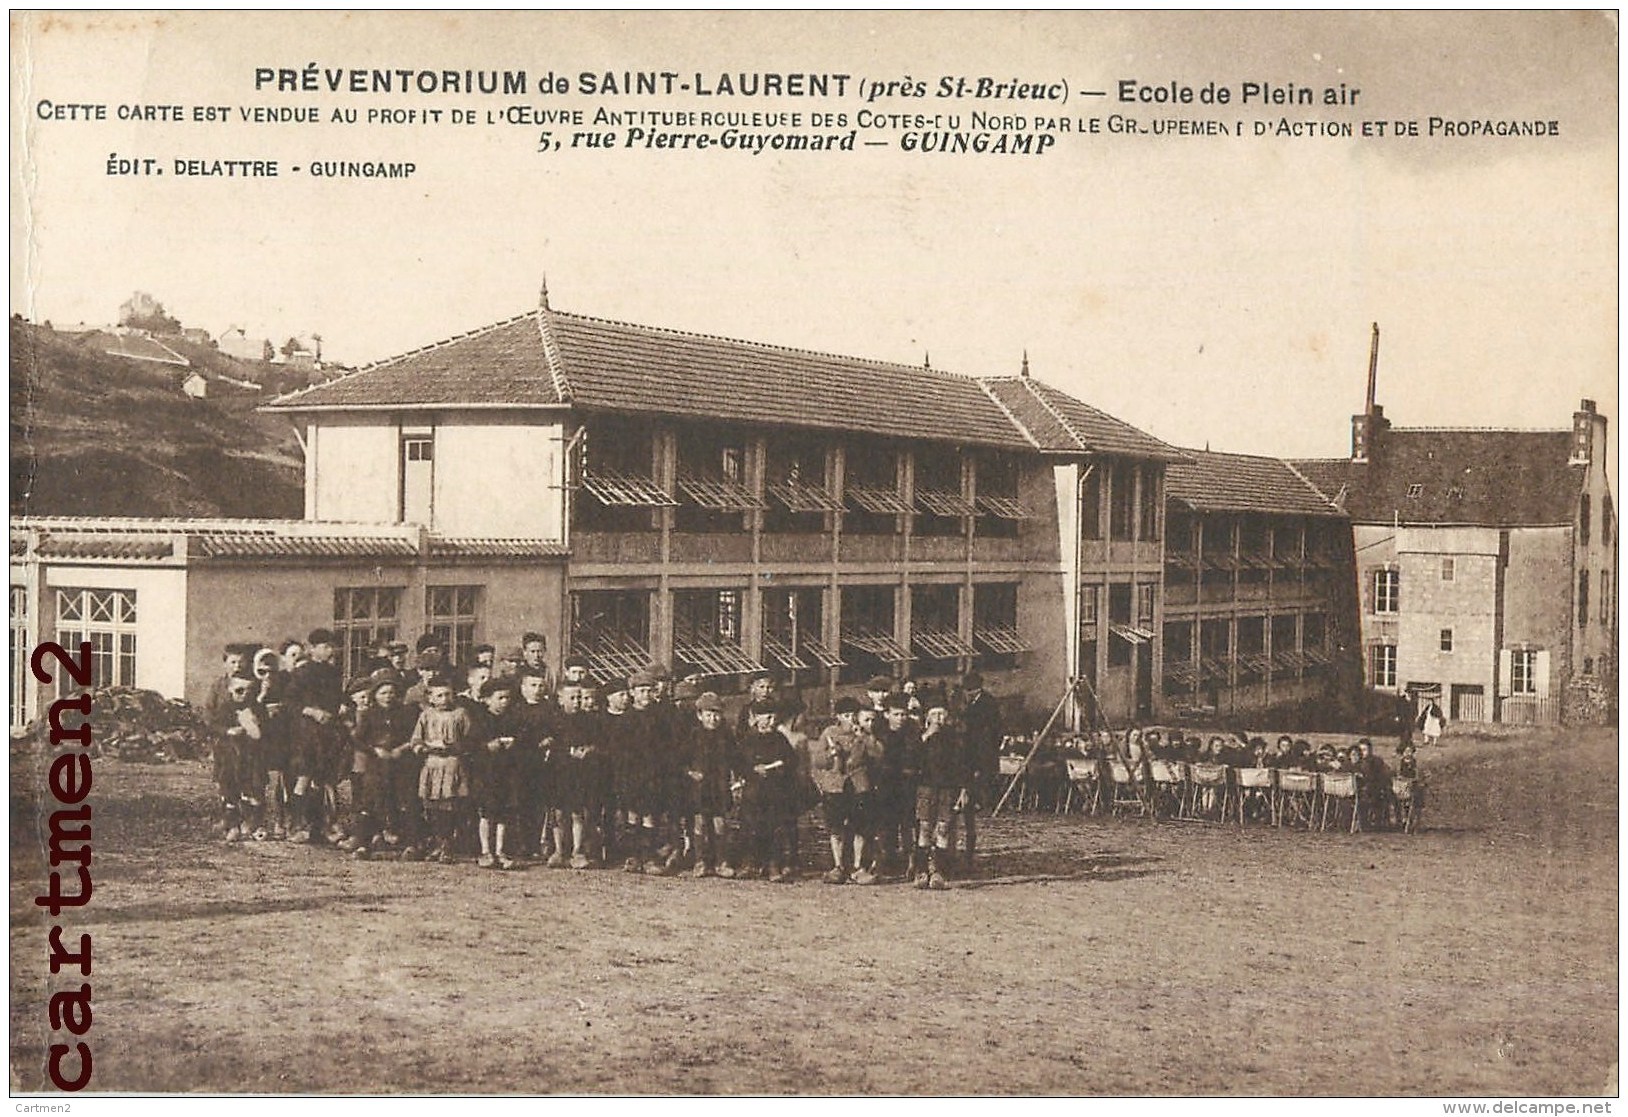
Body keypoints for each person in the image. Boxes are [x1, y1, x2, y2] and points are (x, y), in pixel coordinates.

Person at [808, 696, 876, 884]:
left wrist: (864, 738)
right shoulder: (829, 733)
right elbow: (817, 761)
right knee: (836, 826)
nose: (851, 719)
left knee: (859, 826)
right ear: (838, 716)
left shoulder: (862, 734)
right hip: (835, 785)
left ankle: (857, 866)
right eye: (846, 715)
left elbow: (877, 754)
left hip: (858, 784)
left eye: (853, 715)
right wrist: (831, 755)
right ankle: (838, 866)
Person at [411, 676, 475, 864]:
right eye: (439, 695)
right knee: (432, 806)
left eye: (448, 694)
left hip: (452, 763)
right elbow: (416, 738)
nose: (444, 699)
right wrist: (421, 748)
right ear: (430, 697)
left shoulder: (460, 714)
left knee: (450, 805)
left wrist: (454, 746)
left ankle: (448, 845)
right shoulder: (426, 715)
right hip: (432, 764)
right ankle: (437, 843)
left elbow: (470, 739)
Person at [735, 699, 799, 881]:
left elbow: (791, 761)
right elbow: (738, 763)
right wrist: (752, 770)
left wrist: (779, 769)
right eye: (768, 717)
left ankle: (773, 864)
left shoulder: (780, 739)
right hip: (753, 792)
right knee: (750, 826)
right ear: (756, 718)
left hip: (775, 792)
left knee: (774, 828)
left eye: (774, 718)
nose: (772, 721)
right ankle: (750, 864)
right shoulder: (748, 739)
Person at [909, 701, 969, 889]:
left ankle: (938, 872)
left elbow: (962, 766)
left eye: (942, 715)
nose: (939, 719)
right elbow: (912, 760)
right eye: (934, 715)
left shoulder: (954, 740)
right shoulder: (920, 738)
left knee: (943, 828)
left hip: (947, 789)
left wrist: (963, 790)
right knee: (925, 828)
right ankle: (921, 871)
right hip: (925, 788)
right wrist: (926, 736)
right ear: (927, 718)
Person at [681, 692, 738, 878]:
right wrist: (690, 773)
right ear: (699, 715)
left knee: (719, 823)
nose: (713, 719)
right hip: (699, 787)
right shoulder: (693, 735)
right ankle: (700, 861)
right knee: (700, 822)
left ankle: (721, 861)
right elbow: (680, 760)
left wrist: (739, 776)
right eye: (708, 714)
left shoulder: (726, 736)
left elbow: (736, 759)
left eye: (717, 714)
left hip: (719, 786)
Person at [469, 678, 522, 869]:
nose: (504, 701)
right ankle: (485, 850)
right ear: (486, 700)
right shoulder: (480, 720)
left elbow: (522, 741)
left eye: (507, 698)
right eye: (500, 698)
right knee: (486, 812)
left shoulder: (513, 720)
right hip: (487, 772)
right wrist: (487, 746)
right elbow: (472, 745)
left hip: (507, 771)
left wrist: (514, 743)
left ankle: (500, 850)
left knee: (504, 812)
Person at [210, 671, 264, 843]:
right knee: (230, 789)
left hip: (251, 757)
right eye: (240, 691)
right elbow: (214, 725)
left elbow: (265, 730)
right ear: (230, 689)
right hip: (230, 756)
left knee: (254, 790)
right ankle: (232, 824)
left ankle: (251, 823)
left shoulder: (256, 708)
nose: (245, 694)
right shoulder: (226, 708)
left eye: (250, 690)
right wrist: (228, 731)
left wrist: (255, 724)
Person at [959, 671, 1001, 869]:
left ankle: (969, 853)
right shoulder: (972, 703)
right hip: (971, 758)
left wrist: (981, 763)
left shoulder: (986, 705)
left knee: (971, 807)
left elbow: (990, 736)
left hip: (980, 759)